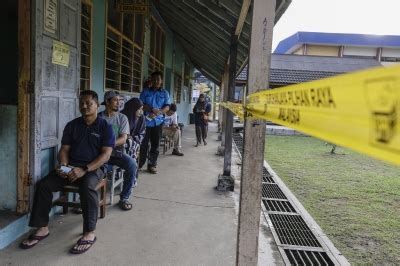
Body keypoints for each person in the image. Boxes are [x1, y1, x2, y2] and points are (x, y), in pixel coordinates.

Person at [20, 90, 115, 254]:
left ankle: (89, 233)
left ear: (97, 104)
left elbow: (106, 155)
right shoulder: (72, 125)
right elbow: (64, 149)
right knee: (44, 185)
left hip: (94, 169)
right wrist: (63, 164)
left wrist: (84, 169)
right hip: (71, 167)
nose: (84, 106)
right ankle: (42, 228)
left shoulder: (105, 127)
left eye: (88, 103)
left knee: (87, 187)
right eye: (81, 103)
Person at [99, 91, 137, 211]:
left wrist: (108, 144)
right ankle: (86, 199)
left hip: (116, 154)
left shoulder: (122, 118)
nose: (118, 103)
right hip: (99, 153)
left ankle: (124, 198)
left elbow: (123, 138)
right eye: (115, 100)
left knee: (132, 164)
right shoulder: (99, 118)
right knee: (90, 168)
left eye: (119, 101)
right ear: (107, 102)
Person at [139, 71, 170, 174]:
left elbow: (167, 106)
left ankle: (152, 165)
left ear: (161, 81)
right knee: (143, 144)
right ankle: (140, 164)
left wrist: (159, 112)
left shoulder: (165, 93)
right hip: (146, 122)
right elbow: (141, 105)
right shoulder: (145, 91)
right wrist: (152, 109)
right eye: (154, 79)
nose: (156, 81)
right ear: (151, 80)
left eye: (158, 79)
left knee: (155, 144)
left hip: (158, 122)